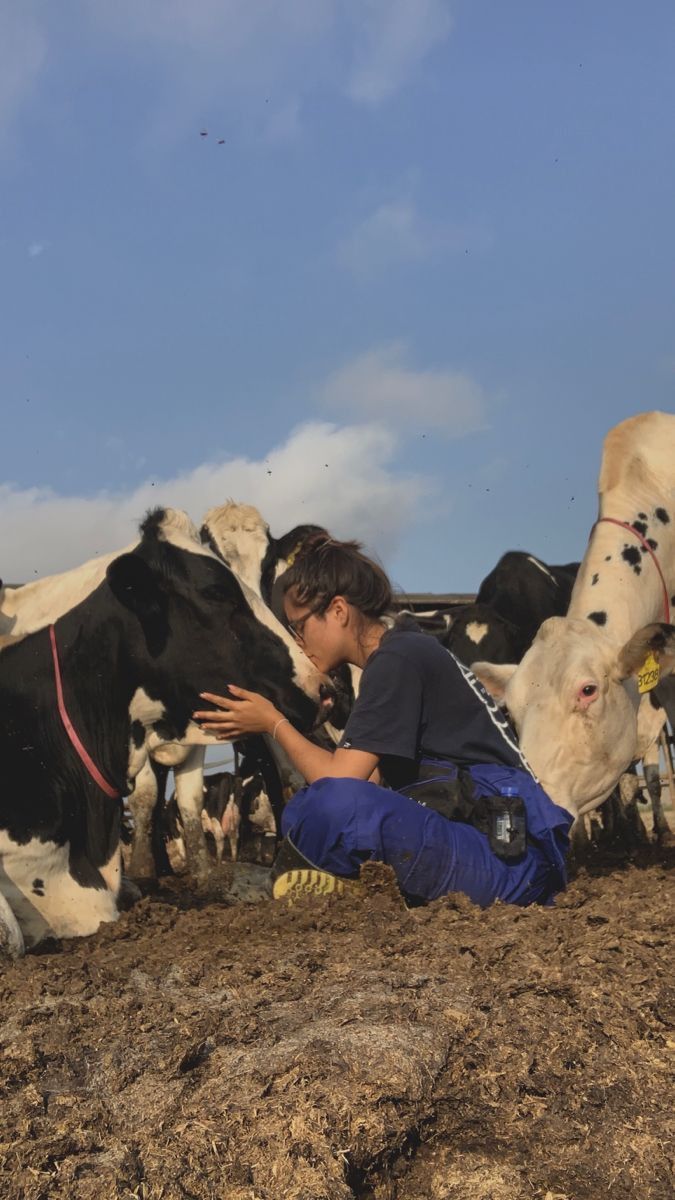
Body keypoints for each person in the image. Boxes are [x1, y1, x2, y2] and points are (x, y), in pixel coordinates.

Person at [193, 537, 573, 907]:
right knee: (308, 809)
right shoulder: (401, 654)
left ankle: (322, 890)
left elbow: (341, 784)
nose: (297, 641)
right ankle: (352, 892)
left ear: (338, 611)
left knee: (329, 807)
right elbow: (368, 781)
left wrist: (273, 723)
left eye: (300, 626)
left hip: (510, 862)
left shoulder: (399, 659)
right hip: (499, 848)